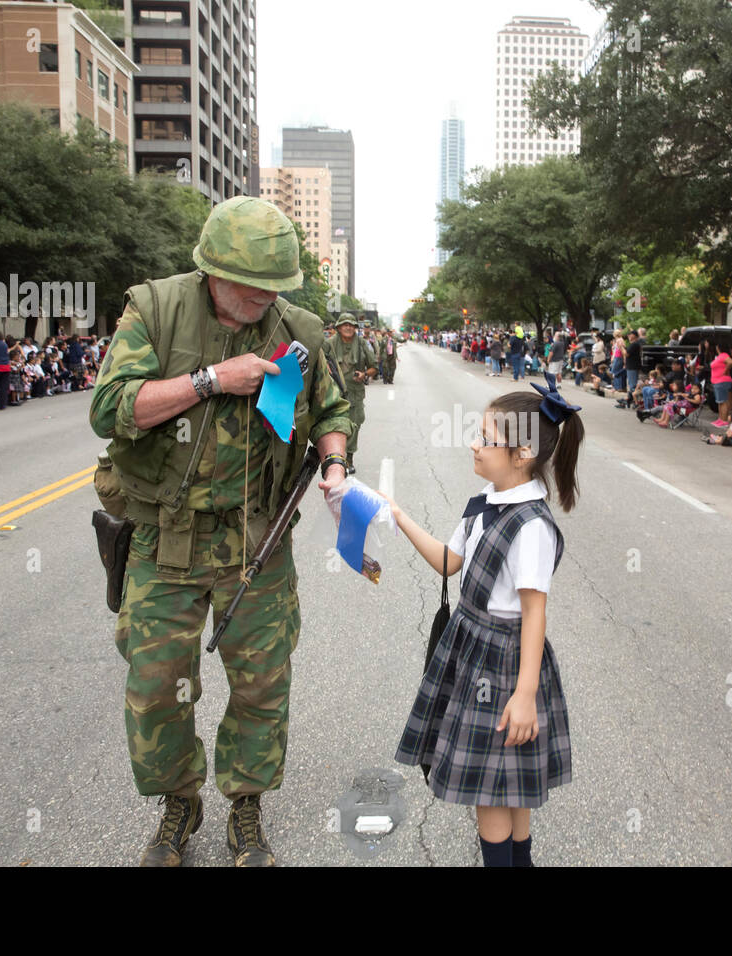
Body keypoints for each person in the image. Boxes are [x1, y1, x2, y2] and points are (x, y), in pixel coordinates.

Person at [88, 196, 354, 867]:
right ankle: (179, 803)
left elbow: (331, 407)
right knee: (156, 687)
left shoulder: (299, 330)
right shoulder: (156, 309)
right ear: (212, 271)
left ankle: (246, 808)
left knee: (262, 684)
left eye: (275, 288)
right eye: (251, 287)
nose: (265, 299)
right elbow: (112, 408)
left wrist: (334, 462)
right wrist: (210, 380)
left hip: (255, 541)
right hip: (165, 538)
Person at [383, 375, 583, 866]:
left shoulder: (531, 526)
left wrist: (524, 696)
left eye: (487, 438)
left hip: (504, 664)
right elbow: (451, 562)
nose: (474, 444)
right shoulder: (484, 505)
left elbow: (535, 614)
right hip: (471, 648)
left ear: (522, 455)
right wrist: (398, 516)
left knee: (494, 792)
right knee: (504, 780)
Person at [323, 313, 377, 475]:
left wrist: (365, 374)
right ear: (338, 327)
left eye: (351, 325)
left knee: (354, 424)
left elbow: (374, 366)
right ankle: (334, 458)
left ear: (355, 328)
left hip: (355, 391)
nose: (348, 327)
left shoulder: (363, 344)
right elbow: (318, 364)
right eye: (344, 324)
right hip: (333, 391)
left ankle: (349, 459)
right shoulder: (328, 344)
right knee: (333, 424)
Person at [710, 342, 732, 427]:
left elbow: (730, 362)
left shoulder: (724, 355)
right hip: (717, 381)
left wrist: (725, 371)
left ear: (719, 348)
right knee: (720, 401)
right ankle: (720, 419)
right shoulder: (720, 357)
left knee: (723, 401)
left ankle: (724, 420)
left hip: (722, 381)